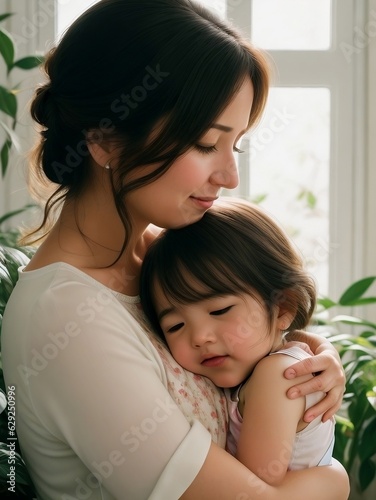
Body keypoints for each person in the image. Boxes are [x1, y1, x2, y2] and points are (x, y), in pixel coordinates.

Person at [1, 0, 348, 498]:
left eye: (237, 146)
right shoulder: (64, 315)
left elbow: (261, 324)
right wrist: (335, 479)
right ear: (105, 140)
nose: (229, 177)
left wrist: (310, 356)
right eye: (207, 144)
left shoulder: (163, 258)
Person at [139, 198, 336, 485]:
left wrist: (337, 481)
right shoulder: (266, 369)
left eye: (220, 310)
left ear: (282, 307)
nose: (200, 337)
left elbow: (254, 487)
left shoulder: (277, 376)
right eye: (175, 325)